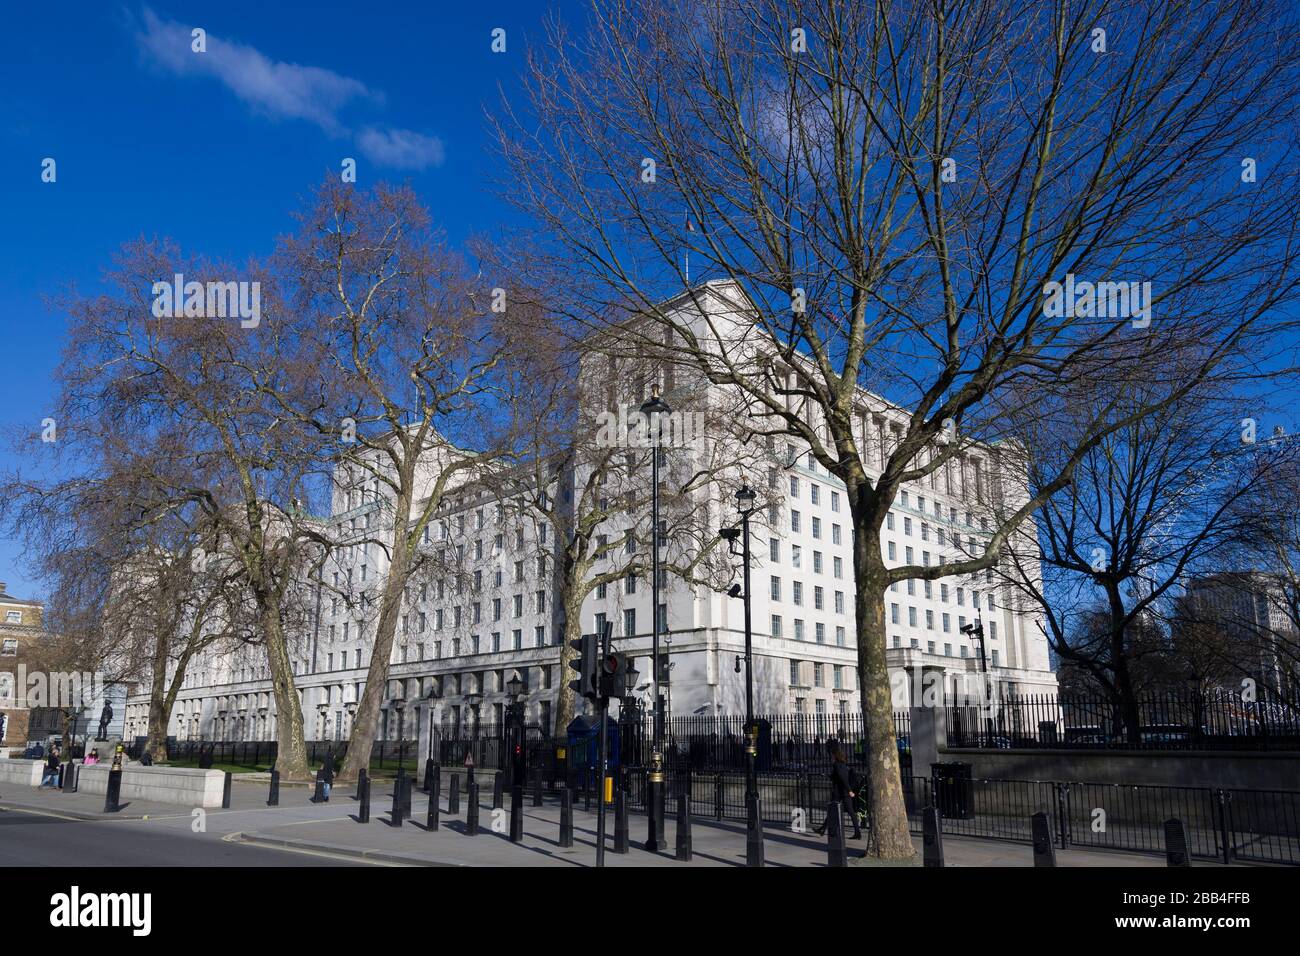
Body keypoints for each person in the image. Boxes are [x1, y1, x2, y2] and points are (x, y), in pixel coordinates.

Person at [814, 744, 862, 840]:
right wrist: (829, 776)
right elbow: (839, 777)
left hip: (840, 792)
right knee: (850, 812)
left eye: (832, 755)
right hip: (843, 791)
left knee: (834, 810)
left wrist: (849, 790)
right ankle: (857, 833)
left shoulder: (837, 765)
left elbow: (842, 778)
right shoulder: (843, 764)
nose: (831, 756)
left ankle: (822, 829)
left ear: (835, 755)